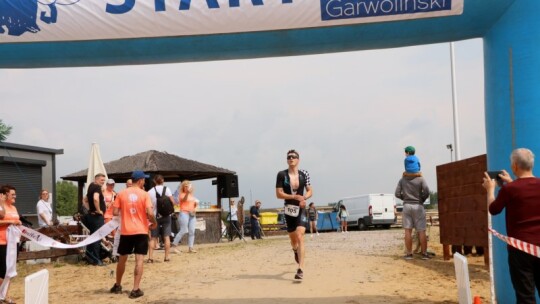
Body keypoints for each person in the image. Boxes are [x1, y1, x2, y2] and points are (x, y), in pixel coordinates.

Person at [482, 148, 540, 303]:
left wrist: (490, 190)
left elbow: (494, 209)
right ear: (531, 165)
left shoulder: (510, 189)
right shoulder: (514, 187)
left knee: (525, 295)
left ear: (514, 166)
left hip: (520, 249)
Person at [110, 170, 157, 299]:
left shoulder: (121, 193)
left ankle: (118, 285)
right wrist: (154, 223)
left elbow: (114, 212)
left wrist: (126, 212)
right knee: (139, 260)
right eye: (144, 180)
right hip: (141, 230)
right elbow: (150, 213)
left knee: (122, 260)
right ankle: (135, 289)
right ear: (140, 180)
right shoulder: (144, 194)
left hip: (126, 230)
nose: (145, 182)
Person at [276, 149, 313, 280]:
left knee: (300, 235)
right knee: (293, 240)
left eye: (293, 156)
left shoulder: (304, 174)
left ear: (298, 159)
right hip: (289, 208)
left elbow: (310, 190)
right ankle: (294, 250)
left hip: (301, 208)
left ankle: (300, 269)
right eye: (289, 157)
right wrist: (293, 196)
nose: (291, 158)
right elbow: (278, 193)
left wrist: (303, 198)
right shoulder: (281, 175)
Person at [395, 169, 430, 260]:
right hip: (418, 206)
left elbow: (397, 194)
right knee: (421, 231)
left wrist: (405, 199)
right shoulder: (421, 179)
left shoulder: (402, 180)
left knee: (408, 231)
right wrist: (421, 199)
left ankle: (409, 254)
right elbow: (426, 192)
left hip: (407, 206)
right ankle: (424, 253)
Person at [0, 185, 22, 304]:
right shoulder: (0, 206)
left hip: (13, 242)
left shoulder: (13, 208)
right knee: (2, 270)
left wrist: (18, 223)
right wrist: (11, 221)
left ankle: (4, 296)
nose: (15, 196)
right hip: (2, 241)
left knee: (10, 270)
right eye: (12, 194)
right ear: (5, 194)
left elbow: (16, 221)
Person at [147, 175, 174, 263]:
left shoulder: (150, 192)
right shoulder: (167, 189)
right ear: (163, 180)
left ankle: (150, 258)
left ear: (154, 181)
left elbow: (148, 206)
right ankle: (166, 257)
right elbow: (172, 202)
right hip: (166, 216)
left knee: (153, 238)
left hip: (155, 217)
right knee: (166, 237)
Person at [85, 173, 107, 266]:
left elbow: (84, 200)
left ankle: (89, 258)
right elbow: (95, 199)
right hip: (97, 217)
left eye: (104, 180)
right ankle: (97, 260)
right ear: (96, 179)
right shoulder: (97, 187)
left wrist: (89, 209)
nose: (103, 182)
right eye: (102, 180)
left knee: (92, 237)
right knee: (97, 237)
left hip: (90, 215)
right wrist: (99, 210)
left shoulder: (90, 186)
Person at [171, 180, 199, 253]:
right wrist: (187, 193)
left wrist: (195, 205)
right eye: (186, 186)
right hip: (184, 213)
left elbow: (192, 204)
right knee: (183, 230)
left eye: (188, 186)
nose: (187, 187)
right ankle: (174, 246)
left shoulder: (191, 195)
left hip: (192, 214)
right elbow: (184, 200)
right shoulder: (181, 194)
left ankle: (191, 247)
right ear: (183, 187)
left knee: (192, 231)